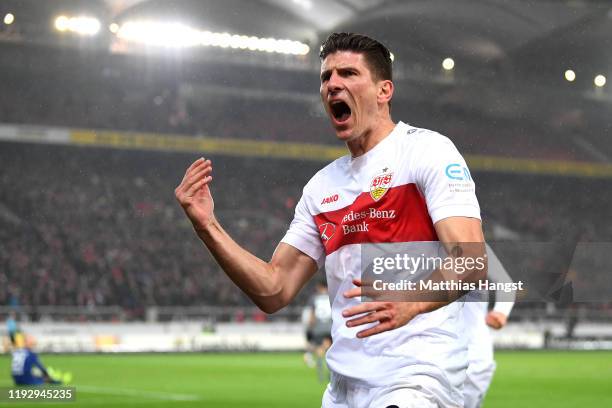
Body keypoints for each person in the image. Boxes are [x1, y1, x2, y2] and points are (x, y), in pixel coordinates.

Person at [175, 32, 484, 407]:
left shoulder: (426, 151)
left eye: (349, 74)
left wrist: (410, 302)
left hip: (417, 377)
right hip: (343, 389)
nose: (333, 84)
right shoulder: (321, 188)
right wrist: (207, 226)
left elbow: (471, 262)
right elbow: (274, 289)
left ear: (384, 90)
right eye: (326, 77)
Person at [463, 245, 515, 408]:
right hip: (431, 352)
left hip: (475, 355)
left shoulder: (475, 245)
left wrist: (501, 311)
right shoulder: (418, 246)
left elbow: (505, 283)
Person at [305, 281, 333, 382]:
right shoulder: (332, 296)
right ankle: (331, 373)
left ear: (319, 287)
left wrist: (310, 327)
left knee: (319, 351)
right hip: (330, 327)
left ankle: (320, 375)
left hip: (319, 328)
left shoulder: (314, 298)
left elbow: (312, 316)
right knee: (329, 350)